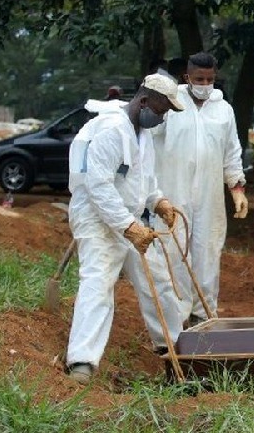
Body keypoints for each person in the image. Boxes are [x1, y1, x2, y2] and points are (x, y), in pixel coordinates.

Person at [65, 74, 185, 384]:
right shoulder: (111, 130)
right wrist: (128, 226)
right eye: (161, 111)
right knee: (99, 281)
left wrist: (159, 202)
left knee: (157, 280)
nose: (162, 118)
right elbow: (98, 185)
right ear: (144, 102)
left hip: (129, 219)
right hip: (96, 219)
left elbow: (143, 180)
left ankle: (175, 348)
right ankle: (82, 362)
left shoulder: (141, 133)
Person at [152, 52, 248, 326]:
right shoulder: (171, 104)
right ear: (187, 78)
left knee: (208, 253)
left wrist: (236, 187)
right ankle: (177, 318)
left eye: (210, 79)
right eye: (199, 79)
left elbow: (232, 151)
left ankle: (204, 315)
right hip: (173, 191)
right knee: (175, 252)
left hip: (210, 196)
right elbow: (147, 139)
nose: (205, 84)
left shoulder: (224, 110)